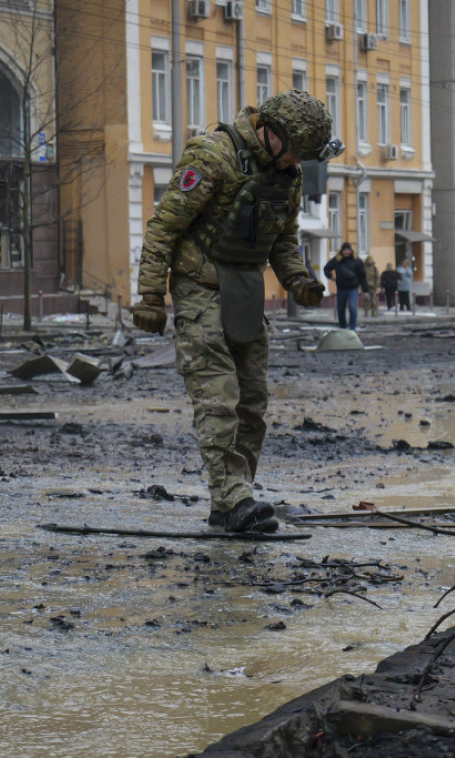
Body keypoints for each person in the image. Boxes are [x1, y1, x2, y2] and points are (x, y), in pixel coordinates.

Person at [132, 90, 342, 534]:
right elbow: (163, 227)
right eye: (295, 154)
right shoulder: (213, 156)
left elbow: (282, 240)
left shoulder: (287, 173)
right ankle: (233, 495)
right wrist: (151, 296)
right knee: (218, 395)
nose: (295, 164)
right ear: (271, 134)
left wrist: (299, 281)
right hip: (199, 288)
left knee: (252, 402)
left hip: (245, 289)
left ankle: (232, 498)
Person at [323, 241, 369, 330]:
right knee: (340, 309)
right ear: (342, 251)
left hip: (353, 288)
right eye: (345, 250)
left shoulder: (357, 261)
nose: (346, 252)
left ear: (351, 250)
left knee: (353, 308)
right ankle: (343, 327)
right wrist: (330, 276)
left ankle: (352, 329)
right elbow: (326, 268)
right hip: (341, 288)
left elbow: (362, 276)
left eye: (348, 250)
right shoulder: (337, 260)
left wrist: (365, 290)